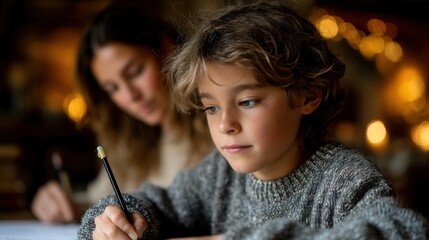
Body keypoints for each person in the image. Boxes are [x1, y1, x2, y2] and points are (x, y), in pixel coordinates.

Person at [78, 1, 428, 239]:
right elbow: (151, 203)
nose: (224, 124)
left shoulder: (343, 177)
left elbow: (403, 229)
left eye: (247, 101)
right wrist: (116, 220)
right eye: (211, 107)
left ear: (307, 95)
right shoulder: (218, 176)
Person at [30, 2, 213, 223]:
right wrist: (59, 205)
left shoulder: (219, 125)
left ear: (166, 49)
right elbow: (98, 201)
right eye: (112, 88)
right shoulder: (129, 140)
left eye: (135, 72)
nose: (130, 96)